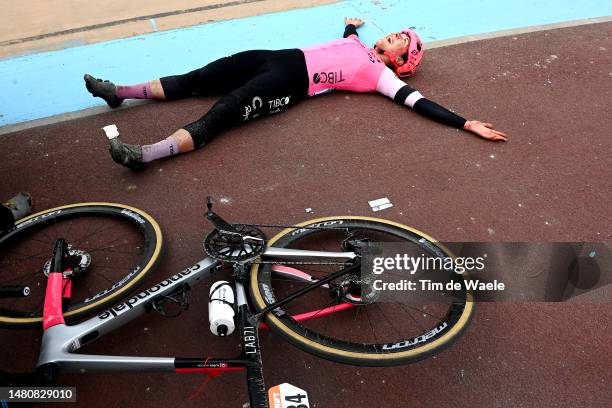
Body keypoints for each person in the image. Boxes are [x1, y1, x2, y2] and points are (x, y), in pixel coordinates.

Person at [84, 17, 508, 169]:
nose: (399, 33)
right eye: (400, 31)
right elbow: (345, 43)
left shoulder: (383, 76)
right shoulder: (362, 46)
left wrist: (466, 122)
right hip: (276, 56)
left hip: (288, 84)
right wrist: (351, 27)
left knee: (224, 110)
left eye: (405, 39)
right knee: (200, 76)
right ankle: (120, 92)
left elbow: (420, 103)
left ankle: (146, 155)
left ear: (404, 61)